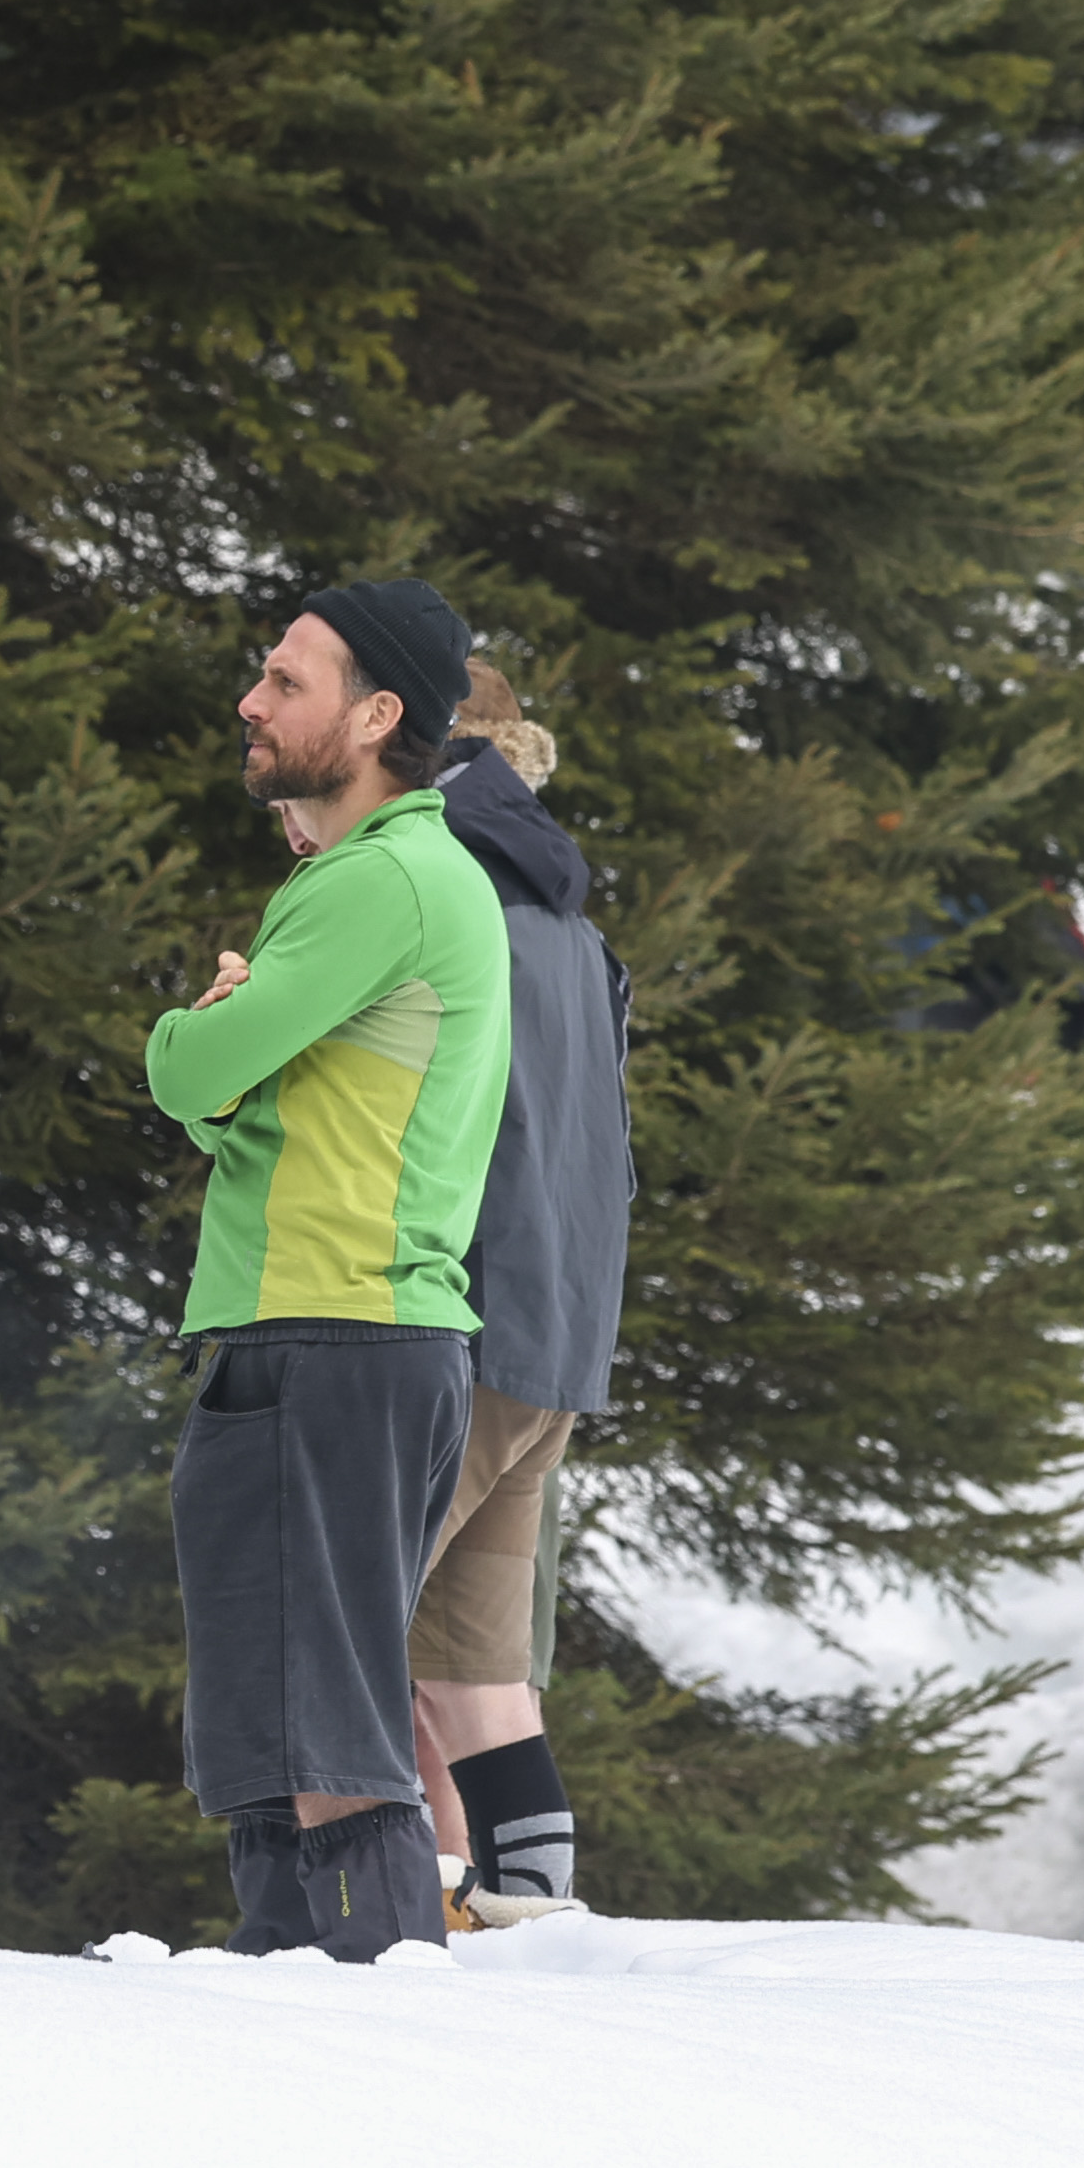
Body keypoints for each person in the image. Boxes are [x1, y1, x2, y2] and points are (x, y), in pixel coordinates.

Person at [147, 579, 512, 1964]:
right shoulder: (379, 880)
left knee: (324, 1726)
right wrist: (219, 1073)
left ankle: (374, 2001)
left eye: (286, 682)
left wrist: (192, 1041)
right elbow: (234, 1097)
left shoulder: (380, 882)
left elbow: (195, 1067)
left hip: (338, 1333)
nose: (251, 700)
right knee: (273, 1722)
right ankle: (292, 1978)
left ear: (375, 717)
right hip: (324, 1330)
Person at [419, 654, 631, 1920]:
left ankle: (375, 1908)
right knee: (479, 1669)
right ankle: (525, 1917)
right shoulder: (571, 921)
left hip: (456, 1317)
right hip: (557, 1336)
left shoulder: (433, 894)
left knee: (345, 1632)